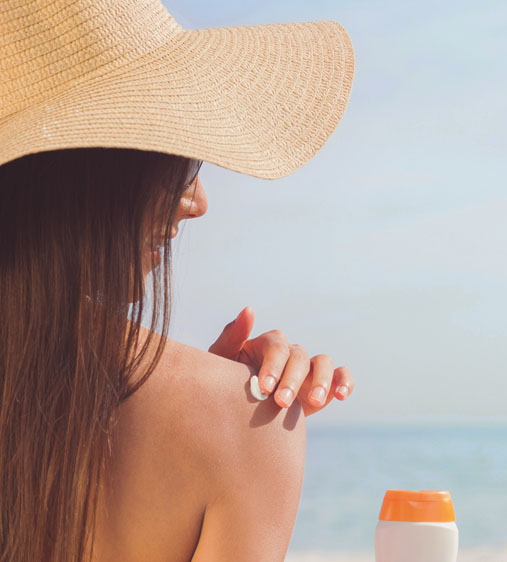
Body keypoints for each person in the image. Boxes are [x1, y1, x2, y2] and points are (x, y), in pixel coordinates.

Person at [0, 1, 355, 561]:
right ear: (87, 170)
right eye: (178, 162)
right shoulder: (241, 425)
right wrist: (229, 419)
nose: (198, 202)